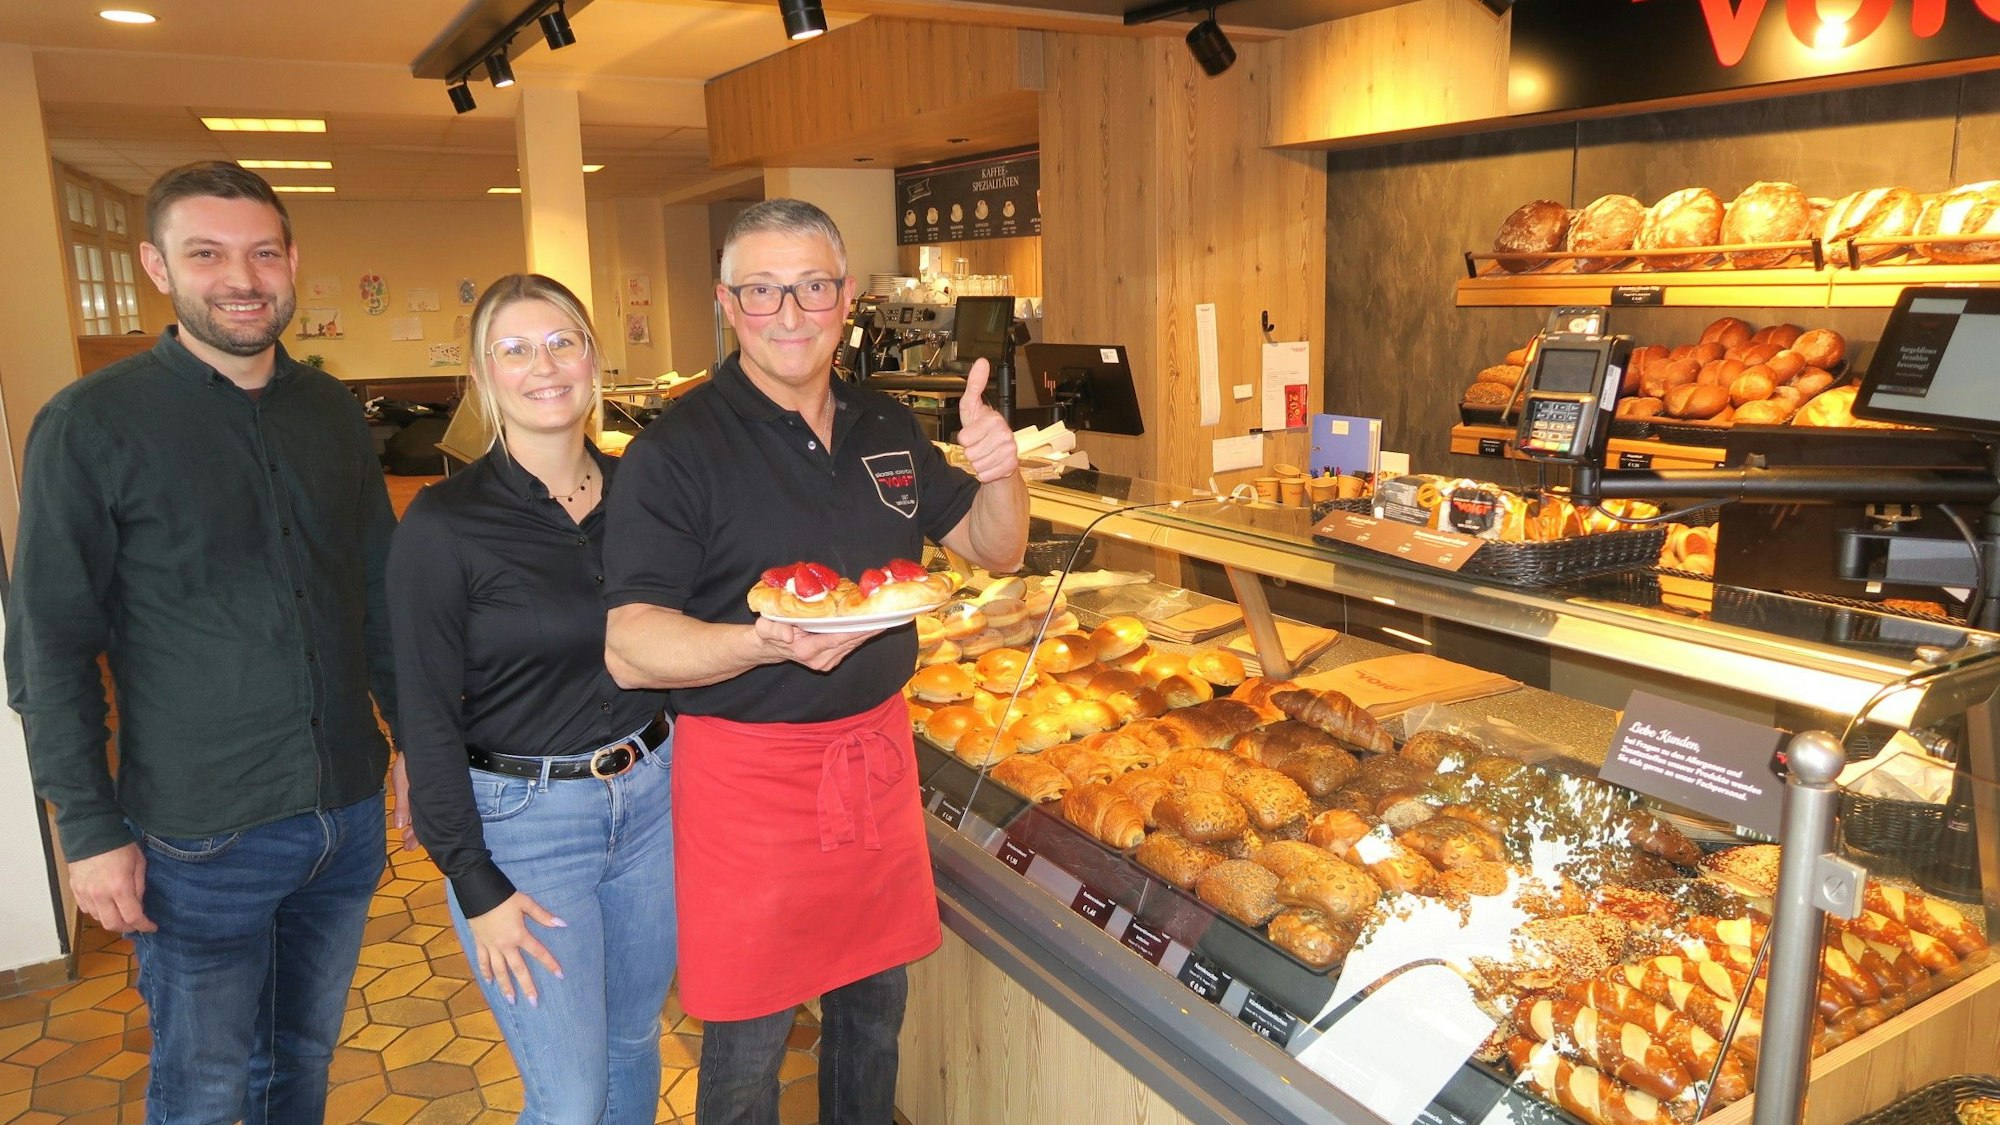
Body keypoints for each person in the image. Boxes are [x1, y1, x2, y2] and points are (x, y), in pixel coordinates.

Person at [602, 198, 1028, 1124]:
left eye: (812, 287)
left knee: (874, 1017)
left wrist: (1001, 467)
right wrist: (758, 643)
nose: (788, 313)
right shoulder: (675, 450)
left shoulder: (888, 425)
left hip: (875, 761)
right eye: (762, 290)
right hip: (745, 781)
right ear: (726, 301)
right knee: (748, 1045)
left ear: (847, 299)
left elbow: (995, 551)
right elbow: (631, 644)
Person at [4, 161, 403, 1125]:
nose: (242, 277)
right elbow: (47, 644)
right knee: (204, 1088)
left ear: (292, 260)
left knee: (300, 1063)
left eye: (263, 252)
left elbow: (382, 602)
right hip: (200, 835)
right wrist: (89, 830)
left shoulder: (332, 413)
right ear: (156, 266)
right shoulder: (90, 425)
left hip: (343, 814)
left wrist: (415, 743)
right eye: (207, 253)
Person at [388, 274, 676, 1124]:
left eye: (561, 342)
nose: (543, 365)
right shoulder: (443, 524)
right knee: (569, 1095)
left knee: (632, 1042)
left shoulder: (646, 494)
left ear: (593, 359)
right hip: (524, 825)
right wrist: (474, 882)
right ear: (483, 377)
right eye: (514, 349)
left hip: (653, 799)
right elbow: (425, 717)